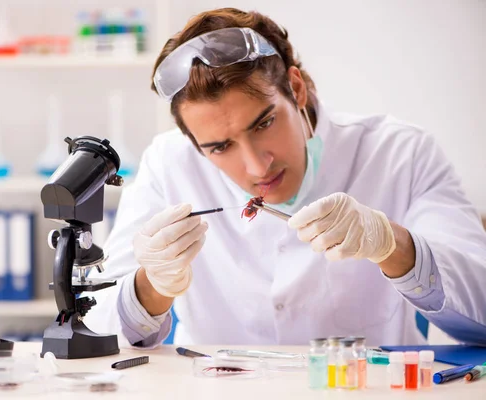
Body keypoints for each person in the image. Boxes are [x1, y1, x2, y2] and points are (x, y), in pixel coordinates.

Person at [87, 8, 486, 347]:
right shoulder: (167, 164)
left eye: (264, 123)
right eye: (220, 147)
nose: (258, 167)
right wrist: (153, 285)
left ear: (296, 89)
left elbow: (482, 312)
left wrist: (394, 245)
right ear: (193, 142)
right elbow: (96, 326)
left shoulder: (401, 153)